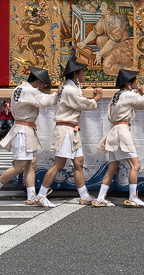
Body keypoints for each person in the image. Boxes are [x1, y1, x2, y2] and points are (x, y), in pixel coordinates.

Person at [0, 67, 59, 206]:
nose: (44, 86)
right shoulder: (29, 90)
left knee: (31, 164)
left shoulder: (19, 88)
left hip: (25, 128)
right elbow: (46, 101)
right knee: (20, 166)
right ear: (37, 81)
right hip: (23, 129)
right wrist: (58, 93)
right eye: (43, 83)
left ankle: (32, 196)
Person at [38, 60, 101, 207]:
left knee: (78, 162)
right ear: (75, 74)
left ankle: (84, 195)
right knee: (58, 164)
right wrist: (96, 97)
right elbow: (83, 104)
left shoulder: (68, 88)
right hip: (65, 130)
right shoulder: (69, 90)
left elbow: (77, 98)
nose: (85, 74)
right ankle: (41, 195)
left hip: (70, 130)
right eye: (82, 72)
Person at [94, 68, 144, 207]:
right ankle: (132, 197)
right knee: (135, 165)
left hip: (115, 130)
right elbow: (143, 103)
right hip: (122, 131)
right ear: (128, 83)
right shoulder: (128, 94)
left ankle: (100, 197)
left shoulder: (116, 95)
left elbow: (109, 116)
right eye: (134, 81)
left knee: (112, 168)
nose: (137, 83)